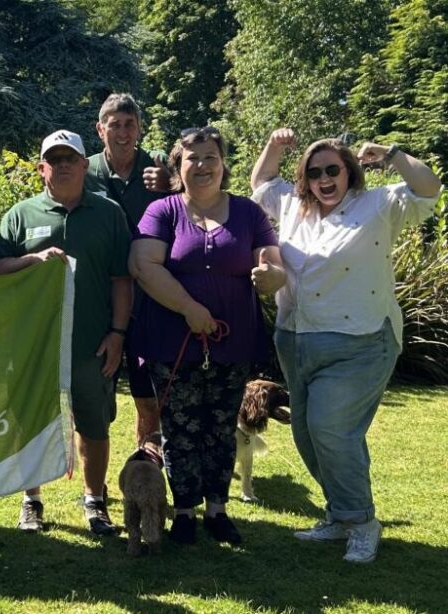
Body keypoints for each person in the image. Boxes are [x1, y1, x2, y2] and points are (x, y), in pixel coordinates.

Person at [250, 128, 442, 563]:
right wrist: (275, 146)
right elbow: (261, 183)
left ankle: (361, 522)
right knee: (307, 434)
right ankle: (340, 514)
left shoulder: (380, 204)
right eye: (314, 172)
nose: (324, 179)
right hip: (295, 337)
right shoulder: (292, 206)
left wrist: (392, 154)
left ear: (350, 172)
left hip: (361, 340)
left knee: (331, 430)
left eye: (332, 170)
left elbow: (429, 188)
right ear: (305, 178)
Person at [129, 127, 283, 546]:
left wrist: (271, 276)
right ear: (178, 167)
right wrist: (188, 308)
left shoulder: (249, 213)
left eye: (210, 157)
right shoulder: (162, 211)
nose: (202, 165)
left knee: (221, 427)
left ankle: (217, 510)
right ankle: (183, 511)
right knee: (179, 429)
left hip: (233, 345)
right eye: (192, 158)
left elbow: (272, 262)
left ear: (223, 163)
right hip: (172, 343)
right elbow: (143, 264)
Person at [0, 130, 132, 536]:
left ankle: (95, 501)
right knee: (31, 422)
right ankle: (31, 501)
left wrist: (118, 333)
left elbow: (122, 280)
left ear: (85, 165)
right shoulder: (21, 215)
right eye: (54, 159)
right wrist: (32, 259)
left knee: (94, 424)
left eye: (70, 158)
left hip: (91, 343)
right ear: (42, 168)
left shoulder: (109, 213)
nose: (63, 165)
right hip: (32, 344)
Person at [83, 93, 172, 444]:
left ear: (139, 128)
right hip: (98, 296)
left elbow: (193, 198)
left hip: (148, 297)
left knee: (147, 396)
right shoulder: (84, 170)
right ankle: (94, 476)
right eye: (115, 125)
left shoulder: (158, 167)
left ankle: (146, 465)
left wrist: (170, 185)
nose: (122, 133)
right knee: (91, 397)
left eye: (129, 124)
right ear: (100, 129)